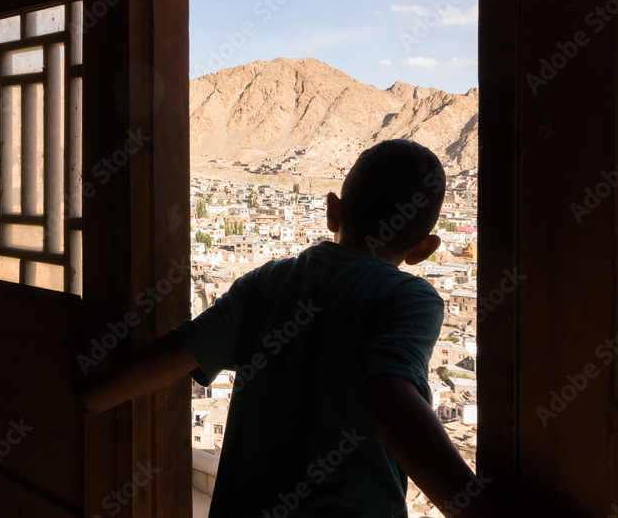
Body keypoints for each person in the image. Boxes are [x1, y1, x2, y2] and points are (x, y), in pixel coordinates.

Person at [77, 139, 510, 517]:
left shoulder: (265, 282)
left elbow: (177, 352)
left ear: (332, 211)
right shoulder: (409, 298)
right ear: (425, 250)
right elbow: (390, 396)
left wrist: (91, 396)